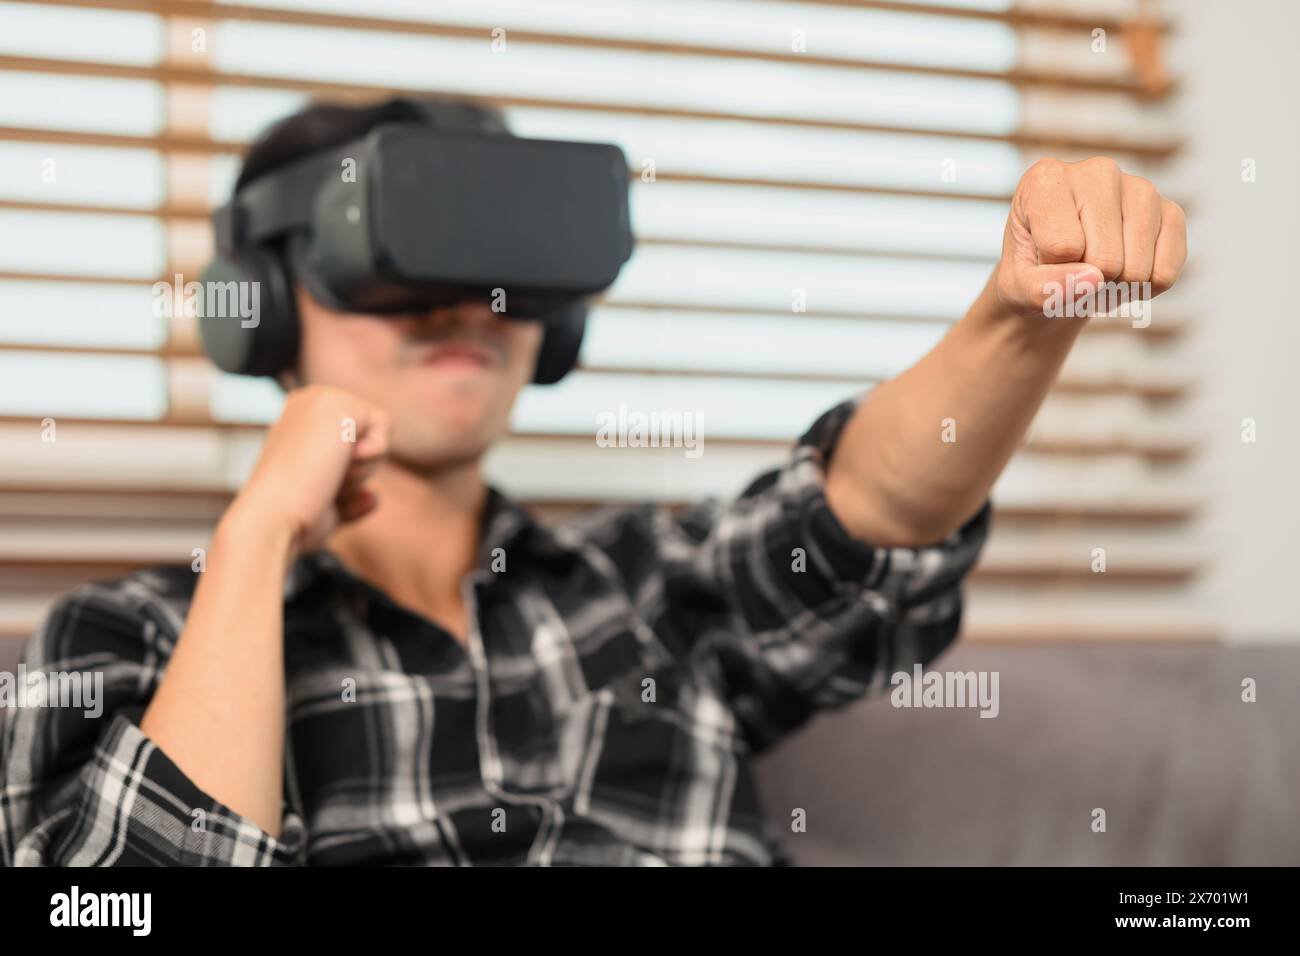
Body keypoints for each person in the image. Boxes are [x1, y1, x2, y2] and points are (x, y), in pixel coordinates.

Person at [0, 96, 1185, 866]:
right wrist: (258, 537)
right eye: (397, 260)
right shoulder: (126, 635)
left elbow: (867, 516)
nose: (467, 303)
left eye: (503, 259)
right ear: (259, 305)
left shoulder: (647, 585)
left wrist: (1021, 310)